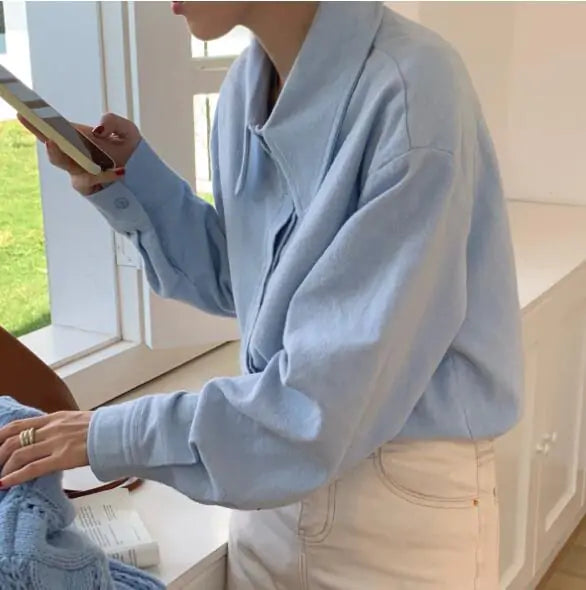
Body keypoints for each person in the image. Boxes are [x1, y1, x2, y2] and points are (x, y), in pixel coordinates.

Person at [0, 2, 523, 588]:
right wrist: (132, 181)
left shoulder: (413, 94)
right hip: (263, 491)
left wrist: (103, 434)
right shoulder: (245, 90)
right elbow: (245, 283)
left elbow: (317, 408)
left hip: (393, 520)